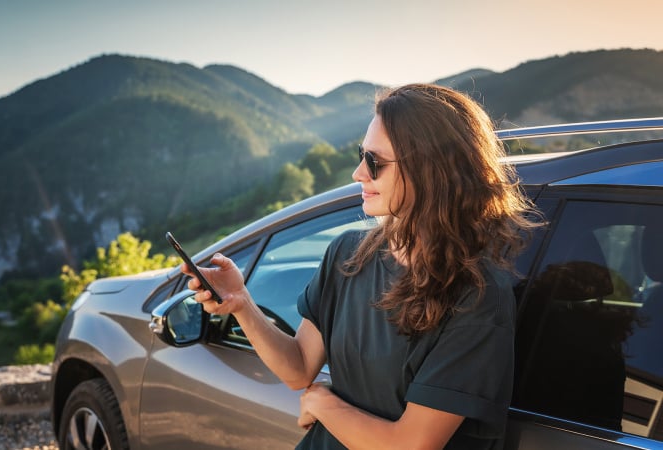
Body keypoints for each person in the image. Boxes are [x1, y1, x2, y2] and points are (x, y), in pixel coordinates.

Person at [182, 83, 541, 449]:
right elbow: (299, 367)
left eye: (374, 162)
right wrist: (241, 302)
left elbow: (410, 446)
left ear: (431, 170)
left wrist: (323, 403)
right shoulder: (348, 254)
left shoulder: (477, 297)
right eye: (361, 155)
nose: (358, 173)